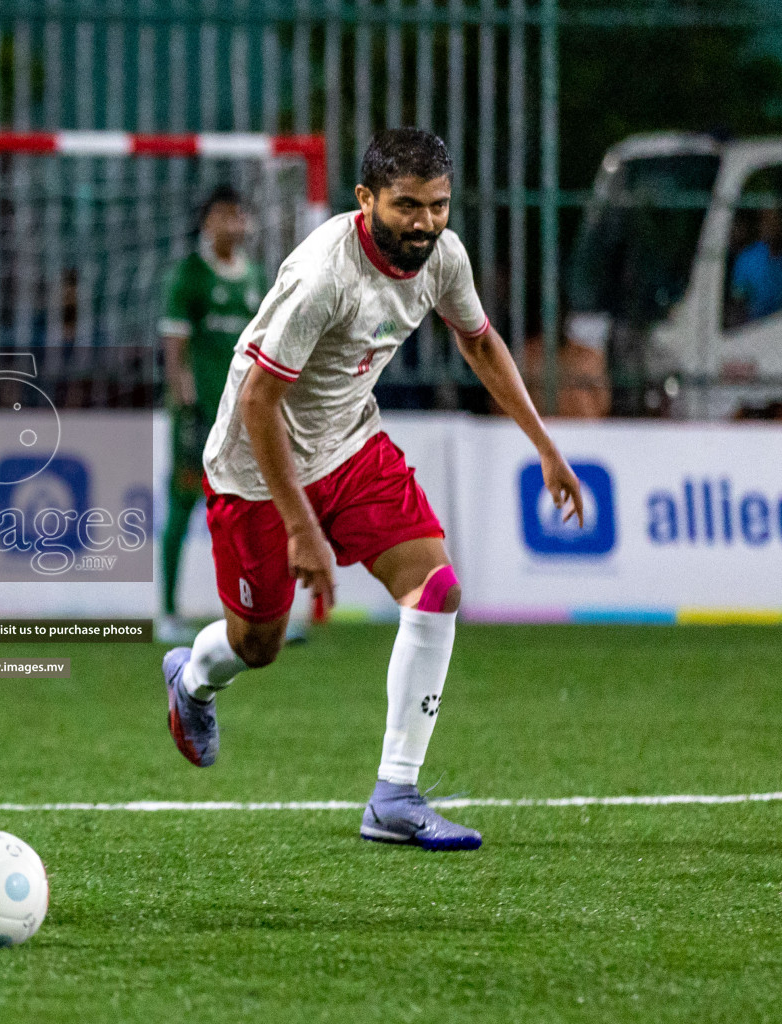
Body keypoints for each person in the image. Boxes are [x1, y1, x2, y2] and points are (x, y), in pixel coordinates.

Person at [160, 128, 584, 851]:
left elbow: (478, 341)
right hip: (256, 467)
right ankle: (193, 678)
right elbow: (260, 401)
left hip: (351, 442)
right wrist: (302, 528)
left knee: (436, 589)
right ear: (366, 200)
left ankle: (395, 793)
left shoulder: (444, 256)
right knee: (257, 643)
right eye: (406, 206)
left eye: (438, 206)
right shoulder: (326, 274)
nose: (424, 224)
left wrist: (545, 446)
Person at [156, 186, 272, 646]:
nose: (235, 223)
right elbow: (175, 349)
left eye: (240, 214)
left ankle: (262, 614)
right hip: (199, 413)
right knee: (183, 507)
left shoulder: (257, 277)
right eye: (225, 215)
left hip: (247, 414)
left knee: (256, 510)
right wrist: (185, 406)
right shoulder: (189, 275)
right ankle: (167, 610)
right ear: (207, 223)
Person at [729, 207, 782, 326]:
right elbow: (739, 303)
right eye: (765, 220)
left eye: (775, 220)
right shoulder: (747, 259)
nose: (770, 225)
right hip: (755, 332)